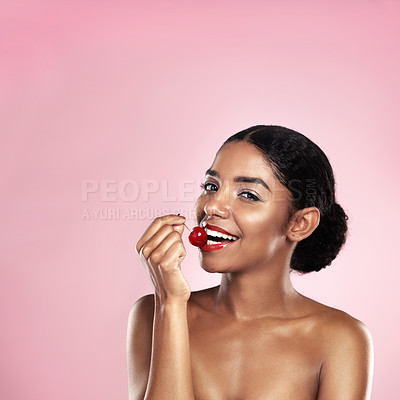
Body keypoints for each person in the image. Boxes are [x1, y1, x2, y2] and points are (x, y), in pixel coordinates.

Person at [127, 125, 374, 400]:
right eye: (211, 186)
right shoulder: (152, 314)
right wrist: (170, 305)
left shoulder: (342, 339)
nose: (212, 206)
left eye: (248, 195)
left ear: (300, 223)